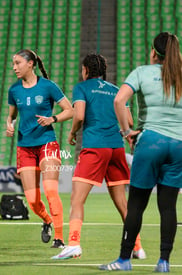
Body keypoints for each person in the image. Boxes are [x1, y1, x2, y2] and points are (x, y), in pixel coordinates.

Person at [100, 32, 182, 272]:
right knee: (168, 207)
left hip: (150, 142)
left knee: (136, 205)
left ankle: (124, 260)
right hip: (178, 146)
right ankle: (164, 262)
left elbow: (118, 101)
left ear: (153, 52)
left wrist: (127, 132)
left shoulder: (142, 72)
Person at [51, 54, 145, 260]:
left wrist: (72, 132)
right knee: (122, 202)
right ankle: (137, 247)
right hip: (116, 149)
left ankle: (74, 243)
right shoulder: (115, 90)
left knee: (77, 199)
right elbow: (128, 120)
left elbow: (80, 115)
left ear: (85, 70)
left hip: (95, 147)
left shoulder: (82, 87)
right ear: (103, 71)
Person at [6, 49, 73, 248]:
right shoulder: (14, 90)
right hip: (24, 147)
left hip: (47, 144)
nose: (14, 67)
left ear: (30, 64)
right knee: (33, 201)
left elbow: (70, 110)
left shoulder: (48, 86)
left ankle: (60, 238)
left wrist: (52, 119)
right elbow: (12, 115)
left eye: (17, 63)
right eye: (13, 64)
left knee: (51, 191)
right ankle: (47, 220)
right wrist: (9, 124)